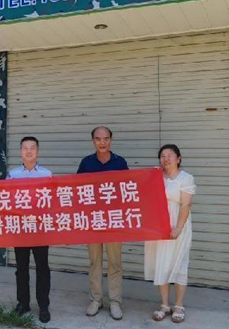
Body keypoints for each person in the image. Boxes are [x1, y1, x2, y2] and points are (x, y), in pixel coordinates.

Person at [77, 126, 128, 320]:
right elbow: (76, 189)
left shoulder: (120, 162)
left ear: (111, 140)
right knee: (95, 261)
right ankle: (96, 299)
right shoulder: (86, 163)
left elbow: (129, 187)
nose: (102, 142)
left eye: (106, 138)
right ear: (93, 141)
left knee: (115, 262)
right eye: (98, 139)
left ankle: (115, 301)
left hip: (114, 220)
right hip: (93, 220)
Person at [144, 144, 196, 324]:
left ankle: (179, 305)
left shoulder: (186, 178)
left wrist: (178, 228)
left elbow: (186, 205)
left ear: (178, 159)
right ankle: (164, 305)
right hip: (158, 225)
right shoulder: (156, 176)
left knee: (179, 264)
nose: (166, 159)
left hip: (177, 223)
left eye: (170, 155)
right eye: (163, 156)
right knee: (161, 263)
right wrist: (150, 176)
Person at [7, 136, 52, 323]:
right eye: (25, 148)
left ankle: (43, 306)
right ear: (21, 152)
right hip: (21, 228)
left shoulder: (47, 174)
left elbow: (52, 201)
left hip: (40, 228)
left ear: (38, 151)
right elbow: (6, 200)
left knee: (42, 268)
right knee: (21, 268)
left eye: (32, 148)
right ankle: (23, 303)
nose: (29, 151)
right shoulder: (12, 175)